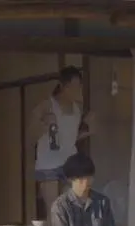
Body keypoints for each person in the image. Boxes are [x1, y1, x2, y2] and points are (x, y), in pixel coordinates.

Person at [30, 66, 95, 218]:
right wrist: (43, 125)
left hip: (70, 161)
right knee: (54, 210)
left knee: (73, 206)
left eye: (78, 86)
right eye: (72, 86)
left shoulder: (78, 108)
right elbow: (30, 136)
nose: (76, 90)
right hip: (48, 163)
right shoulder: (47, 105)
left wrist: (89, 130)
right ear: (63, 86)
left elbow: (71, 138)